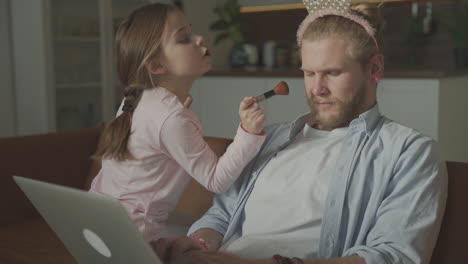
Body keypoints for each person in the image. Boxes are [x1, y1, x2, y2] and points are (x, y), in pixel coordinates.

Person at [154, 1, 447, 264]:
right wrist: (196, 248)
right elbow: (221, 215)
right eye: (309, 73)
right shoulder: (269, 139)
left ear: (374, 67)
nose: (317, 89)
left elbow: (391, 258)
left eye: (332, 73)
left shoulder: (409, 152)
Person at [89, 3, 267, 242]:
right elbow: (216, 180)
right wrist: (248, 132)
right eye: (184, 38)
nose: (200, 38)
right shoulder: (171, 119)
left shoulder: (136, 100)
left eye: (191, 31)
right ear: (157, 66)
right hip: (133, 238)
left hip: (98, 223)